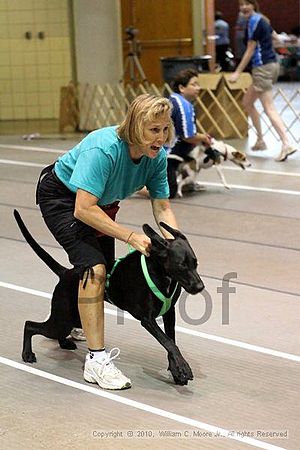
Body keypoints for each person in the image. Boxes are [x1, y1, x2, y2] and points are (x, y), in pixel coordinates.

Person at [36, 94, 180, 390]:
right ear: (136, 126)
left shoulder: (156, 158)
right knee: (95, 269)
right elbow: (82, 209)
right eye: (154, 130)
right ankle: (96, 360)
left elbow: (162, 206)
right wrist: (129, 235)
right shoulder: (104, 149)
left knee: (104, 272)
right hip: (62, 198)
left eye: (165, 129)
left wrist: (176, 244)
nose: (161, 138)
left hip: (99, 204)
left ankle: (72, 318)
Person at [229, 0, 297, 162]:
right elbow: (276, 39)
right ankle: (260, 140)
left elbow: (250, 49)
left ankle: (287, 143)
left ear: (254, 5)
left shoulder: (253, 21)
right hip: (272, 65)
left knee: (269, 108)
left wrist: (237, 72)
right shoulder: (263, 20)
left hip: (262, 67)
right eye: (241, 5)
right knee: (247, 102)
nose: (243, 7)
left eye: (247, 4)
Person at [167, 68, 211, 198]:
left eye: (198, 84)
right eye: (194, 84)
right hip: (165, 154)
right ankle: (139, 187)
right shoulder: (182, 105)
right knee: (168, 193)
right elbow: (188, 136)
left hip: (171, 151)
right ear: (182, 87)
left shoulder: (174, 100)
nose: (198, 88)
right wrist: (204, 137)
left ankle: (187, 180)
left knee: (198, 148)